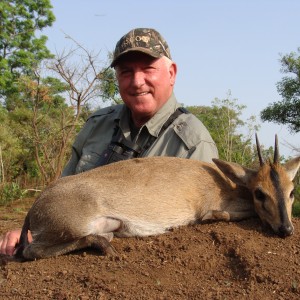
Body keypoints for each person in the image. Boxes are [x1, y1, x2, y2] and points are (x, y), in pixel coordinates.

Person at [0, 28, 218, 256]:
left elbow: (199, 236)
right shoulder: (97, 124)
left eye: (148, 69)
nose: (137, 81)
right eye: (126, 72)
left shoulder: (193, 142)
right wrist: (32, 234)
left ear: (171, 73)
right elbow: (64, 195)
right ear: (116, 77)